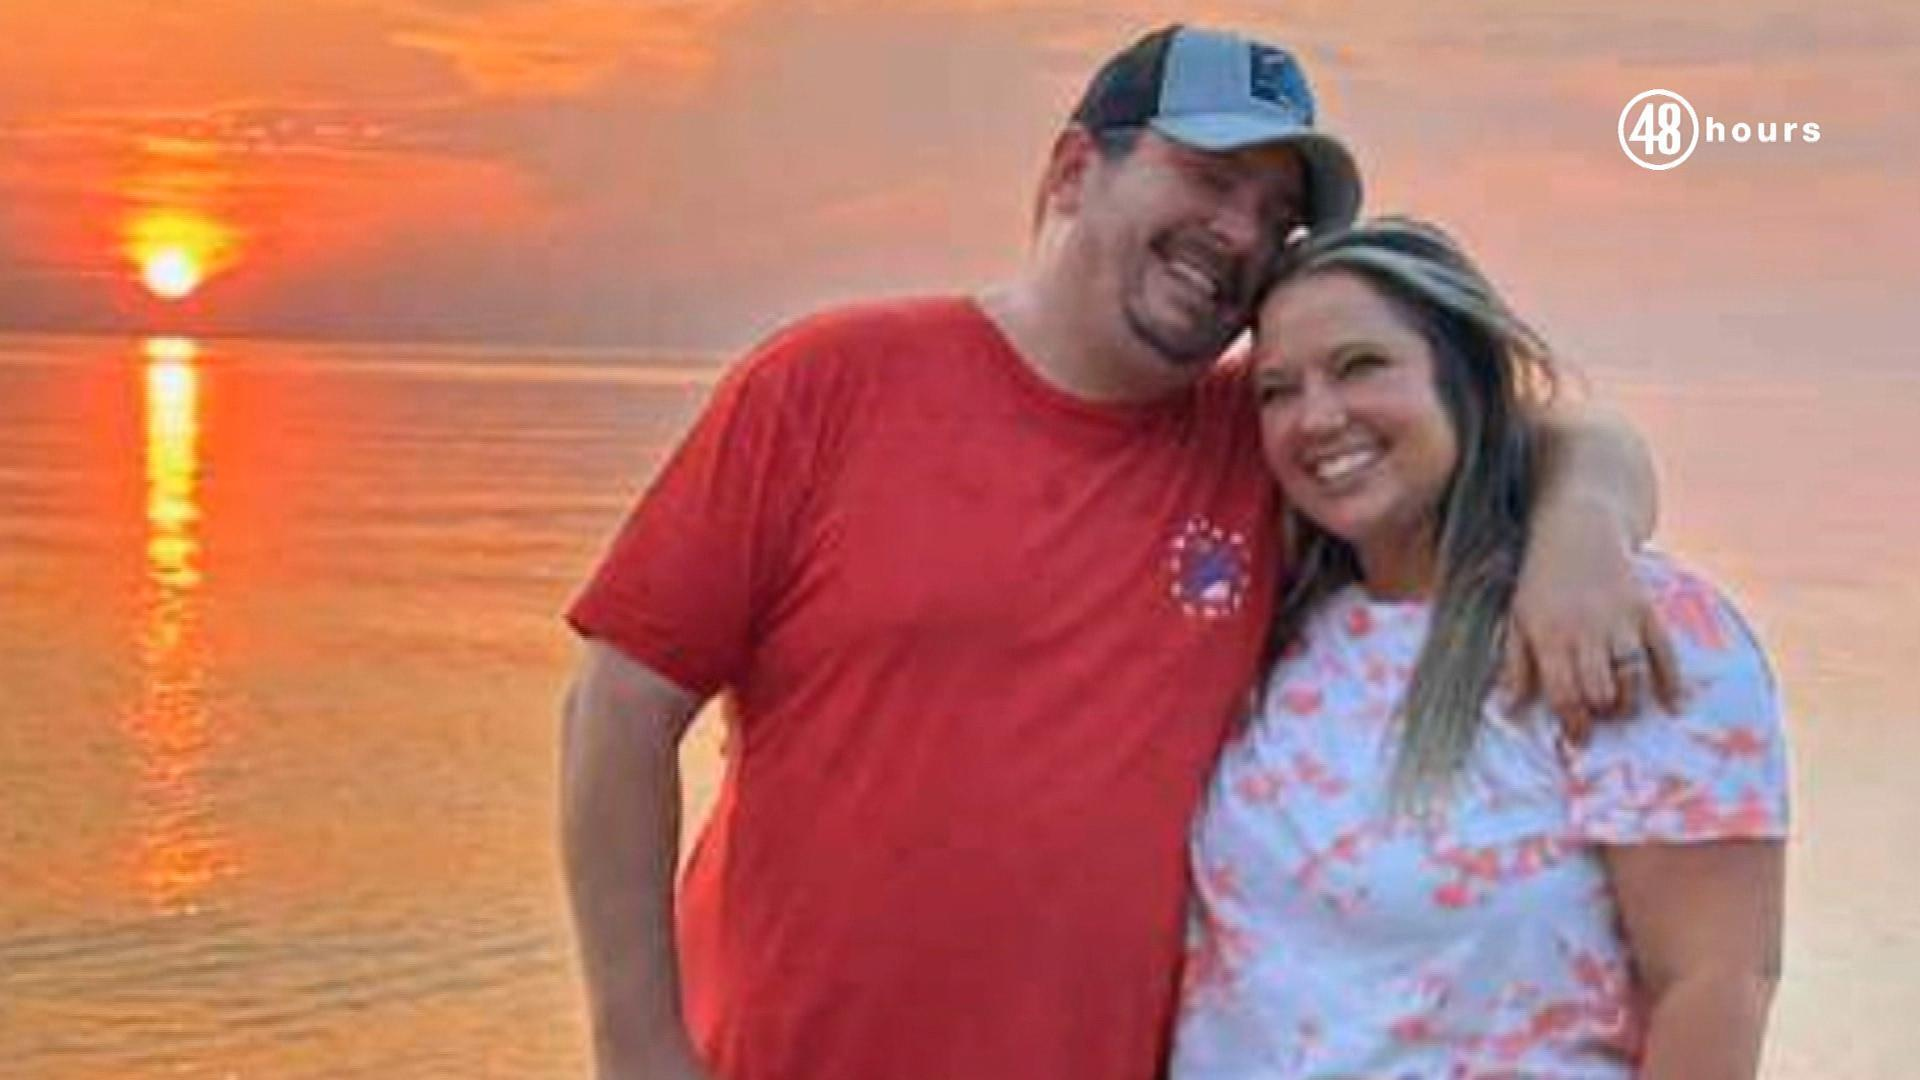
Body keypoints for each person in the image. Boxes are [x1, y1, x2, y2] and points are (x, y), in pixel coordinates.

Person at [560, 25, 1674, 1080]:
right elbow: (620, 707)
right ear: (1073, 171)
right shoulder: (828, 385)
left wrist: (1580, 531)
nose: (1242, 236)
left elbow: (1550, 432)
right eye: (1211, 178)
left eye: (1277, 215)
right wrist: (641, 1051)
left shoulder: (1264, 442)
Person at [1171, 218, 1788, 1078]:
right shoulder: (1280, 623)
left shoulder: (1625, 624)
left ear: (1463, 379)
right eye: (1277, 390)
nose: (1318, 417)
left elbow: (1714, 986)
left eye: (1361, 365)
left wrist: (1583, 514)